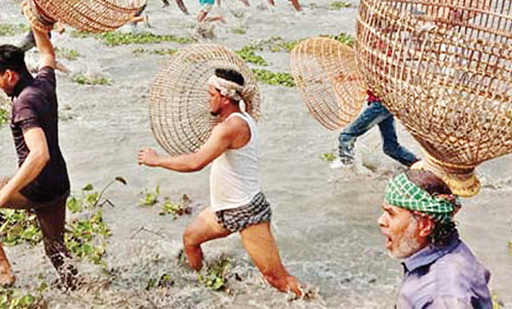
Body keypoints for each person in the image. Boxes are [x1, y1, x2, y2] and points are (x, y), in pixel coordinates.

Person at [137, 68, 302, 296]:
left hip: (246, 212)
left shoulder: (230, 128)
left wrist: (156, 160)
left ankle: (313, 300)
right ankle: (208, 290)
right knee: (191, 240)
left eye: (211, 94)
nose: (208, 99)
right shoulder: (237, 119)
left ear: (225, 98)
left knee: (277, 279)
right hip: (223, 209)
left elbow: (195, 163)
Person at [0, 30, 77, 288]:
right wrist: (38, 23)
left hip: (36, 187)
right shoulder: (44, 82)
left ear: (9, 75)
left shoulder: (23, 104)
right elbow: (47, 53)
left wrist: (1, 196)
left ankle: (3, 271)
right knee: (57, 253)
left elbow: (39, 154)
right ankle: (79, 291)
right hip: (59, 184)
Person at [379, 169, 492, 308]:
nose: (381, 221)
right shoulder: (451, 251)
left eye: (391, 214)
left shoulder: (441, 294)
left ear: (424, 225)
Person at [332, 85, 419, 169]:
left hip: (380, 104)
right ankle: (418, 165)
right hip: (386, 103)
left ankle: (349, 171)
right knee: (390, 148)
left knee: (346, 136)